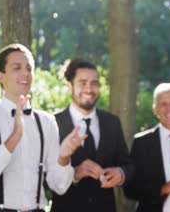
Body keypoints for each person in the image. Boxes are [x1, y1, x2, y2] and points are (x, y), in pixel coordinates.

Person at [0, 44, 85, 211]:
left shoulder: (46, 122)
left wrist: (64, 157)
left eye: (29, 68)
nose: (25, 73)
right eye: (16, 68)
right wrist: (12, 140)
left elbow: (60, 186)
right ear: (0, 76)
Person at [51, 58, 133, 212]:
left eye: (94, 83)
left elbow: (128, 164)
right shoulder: (53, 123)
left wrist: (121, 173)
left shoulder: (112, 122)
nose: (89, 89)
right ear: (70, 86)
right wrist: (74, 174)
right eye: (82, 83)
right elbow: (45, 178)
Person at [124, 83, 170, 212]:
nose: (168, 109)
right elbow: (130, 189)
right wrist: (164, 188)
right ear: (155, 109)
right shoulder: (141, 143)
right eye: (163, 104)